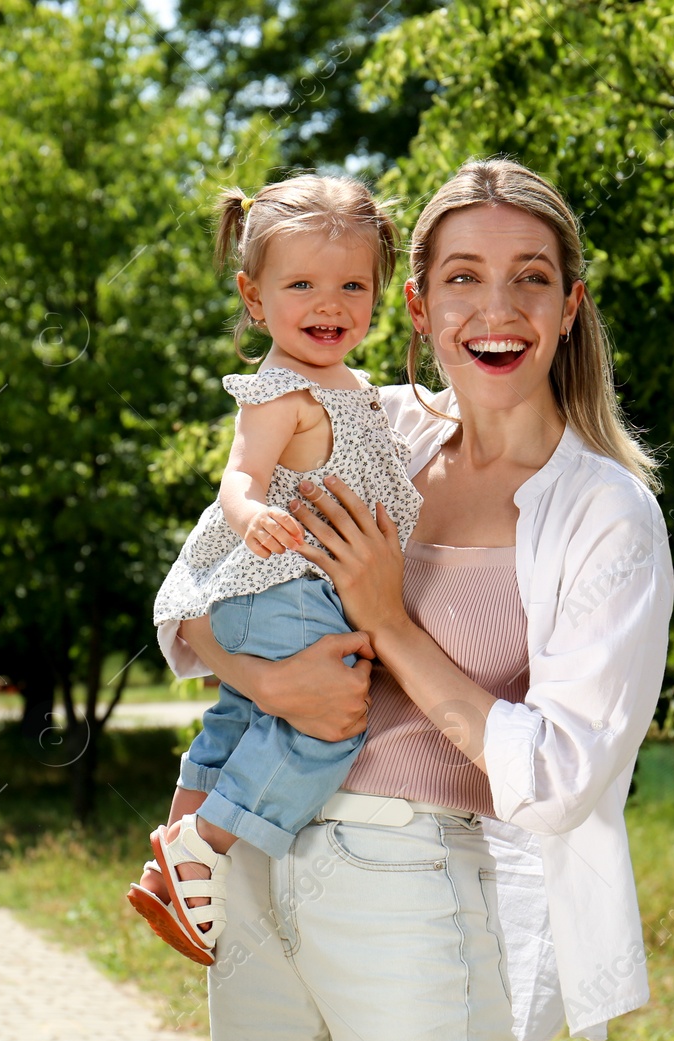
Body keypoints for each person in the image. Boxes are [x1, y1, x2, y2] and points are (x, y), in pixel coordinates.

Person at [156, 157, 674, 1041]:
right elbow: (195, 592)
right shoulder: (364, 428)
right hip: (258, 860)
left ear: (572, 305)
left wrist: (388, 623)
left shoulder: (605, 512)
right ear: (417, 306)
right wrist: (266, 680)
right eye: (463, 276)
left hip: (407, 878)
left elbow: (560, 776)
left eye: (532, 279)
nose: (498, 309)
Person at [128, 174, 420, 967]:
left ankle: (165, 864)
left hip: (275, 595)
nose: (329, 304)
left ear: (379, 291)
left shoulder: (356, 388)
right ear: (254, 298)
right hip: (282, 584)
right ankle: (208, 843)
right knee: (327, 724)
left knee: (236, 719)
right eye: (302, 285)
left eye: (351, 285)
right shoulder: (281, 391)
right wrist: (253, 514)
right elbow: (238, 479)